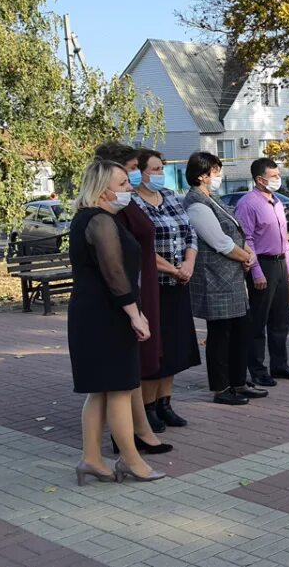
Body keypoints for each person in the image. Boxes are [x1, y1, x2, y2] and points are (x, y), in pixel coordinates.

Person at [68, 160, 165, 485]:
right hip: (106, 315)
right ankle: (131, 460)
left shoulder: (89, 218)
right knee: (122, 390)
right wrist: (135, 314)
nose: (128, 189)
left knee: (99, 391)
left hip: (92, 314)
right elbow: (115, 274)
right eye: (122, 184)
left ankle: (92, 459)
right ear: (103, 190)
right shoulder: (100, 221)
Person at [94, 142, 170, 451]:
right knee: (127, 368)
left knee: (137, 365)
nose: (136, 176)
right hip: (130, 289)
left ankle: (138, 428)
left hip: (144, 284)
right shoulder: (110, 211)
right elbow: (114, 262)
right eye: (133, 169)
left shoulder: (126, 203)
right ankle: (129, 435)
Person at [183, 152, 268, 406]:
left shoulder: (213, 198)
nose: (219, 176)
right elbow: (218, 241)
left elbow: (236, 229)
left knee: (240, 330)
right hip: (216, 279)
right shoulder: (196, 203)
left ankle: (239, 381)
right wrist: (246, 256)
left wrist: (247, 254)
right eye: (216, 172)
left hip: (231, 277)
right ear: (202, 175)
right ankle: (222, 387)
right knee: (220, 335)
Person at [131, 149, 201, 431]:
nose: (160, 174)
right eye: (155, 169)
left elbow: (190, 233)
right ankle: (148, 408)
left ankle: (166, 403)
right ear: (140, 171)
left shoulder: (170, 196)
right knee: (154, 348)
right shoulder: (132, 203)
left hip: (179, 282)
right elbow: (141, 248)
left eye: (162, 169)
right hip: (153, 286)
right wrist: (172, 269)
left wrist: (188, 263)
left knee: (175, 347)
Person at [235, 157, 289, 386]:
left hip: (278, 264)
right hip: (262, 264)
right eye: (273, 176)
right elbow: (246, 239)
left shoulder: (276, 202)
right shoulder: (247, 203)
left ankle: (280, 364)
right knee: (258, 321)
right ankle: (257, 369)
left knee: (280, 320)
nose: (278, 179)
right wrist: (256, 272)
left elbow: (284, 236)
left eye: (278, 174)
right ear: (259, 179)